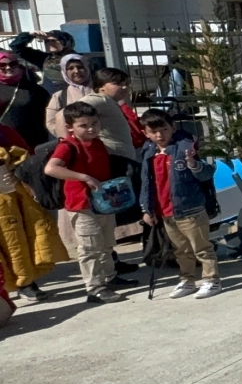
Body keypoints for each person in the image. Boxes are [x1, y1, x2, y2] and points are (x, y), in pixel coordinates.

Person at [136, 110, 220, 299]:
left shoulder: (185, 148)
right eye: (154, 131)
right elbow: (146, 183)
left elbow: (206, 173)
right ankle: (187, 280)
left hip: (190, 210)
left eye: (164, 129)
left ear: (173, 128)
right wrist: (147, 209)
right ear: (146, 133)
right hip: (166, 212)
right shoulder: (149, 153)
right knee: (181, 250)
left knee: (202, 248)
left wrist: (192, 163)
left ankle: (211, 280)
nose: (160, 135)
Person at [44, 102, 123, 304]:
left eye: (94, 123)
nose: (91, 128)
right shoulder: (67, 146)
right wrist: (82, 177)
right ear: (71, 127)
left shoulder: (97, 142)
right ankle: (95, 287)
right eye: (84, 125)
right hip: (82, 205)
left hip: (103, 202)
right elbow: (51, 169)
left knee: (106, 243)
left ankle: (110, 277)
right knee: (90, 247)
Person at [0, 123, 66, 302]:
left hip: (13, 196)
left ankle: (26, 282)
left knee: (20, 240)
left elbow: (25, 157)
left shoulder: (4, 132)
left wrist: (17, 172)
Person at [0, 51, 51, 148]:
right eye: (2, 65)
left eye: (13, 64)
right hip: (2, 142)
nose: (8, 67)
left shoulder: (34, 89)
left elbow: (46, 113)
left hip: (30, 142)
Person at [44, 54, 96, 138]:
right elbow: (51, 122)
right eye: (70, 68)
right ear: (64, 72)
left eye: (80, 67)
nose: (76, 71)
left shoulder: (101, 90)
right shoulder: (60, 96)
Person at [8, 29, 76, 93]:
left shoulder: (78, 58)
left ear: (65, 42)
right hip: (51, 97)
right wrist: (30, 35)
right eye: (47, 41)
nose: (49, 43)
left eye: (53, 40)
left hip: (74, 95)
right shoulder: (44, 58)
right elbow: (16, 47)